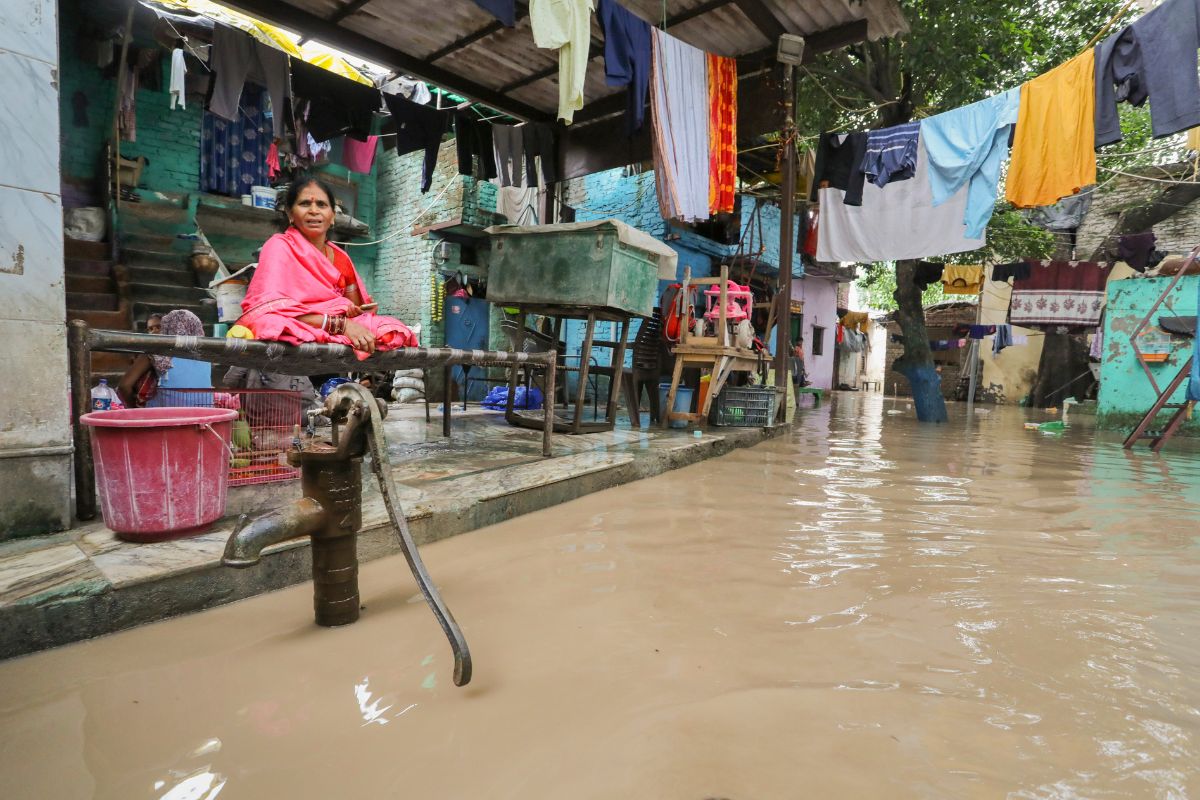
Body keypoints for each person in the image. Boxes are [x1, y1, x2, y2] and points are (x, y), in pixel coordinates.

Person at [233, 177, 418, 358]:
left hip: (334, 329)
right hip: (298, 323)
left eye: (321, 205)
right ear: (290, 214)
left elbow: (353, 309)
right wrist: (342, 326)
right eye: (305, 204)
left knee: (392, 329)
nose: (314, 211)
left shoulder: (341, 257)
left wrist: (357, 311)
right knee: (270, 323)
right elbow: (267, 307)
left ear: (332, 216)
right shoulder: (279, 246)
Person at [117, 309, 213, 407]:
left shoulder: (156, 352)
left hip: (165, 416)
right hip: (204, 413)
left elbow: (124, 386)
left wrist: (134, 411)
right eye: (150, 329)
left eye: (159, 327)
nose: (154, 332)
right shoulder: (207, 355)